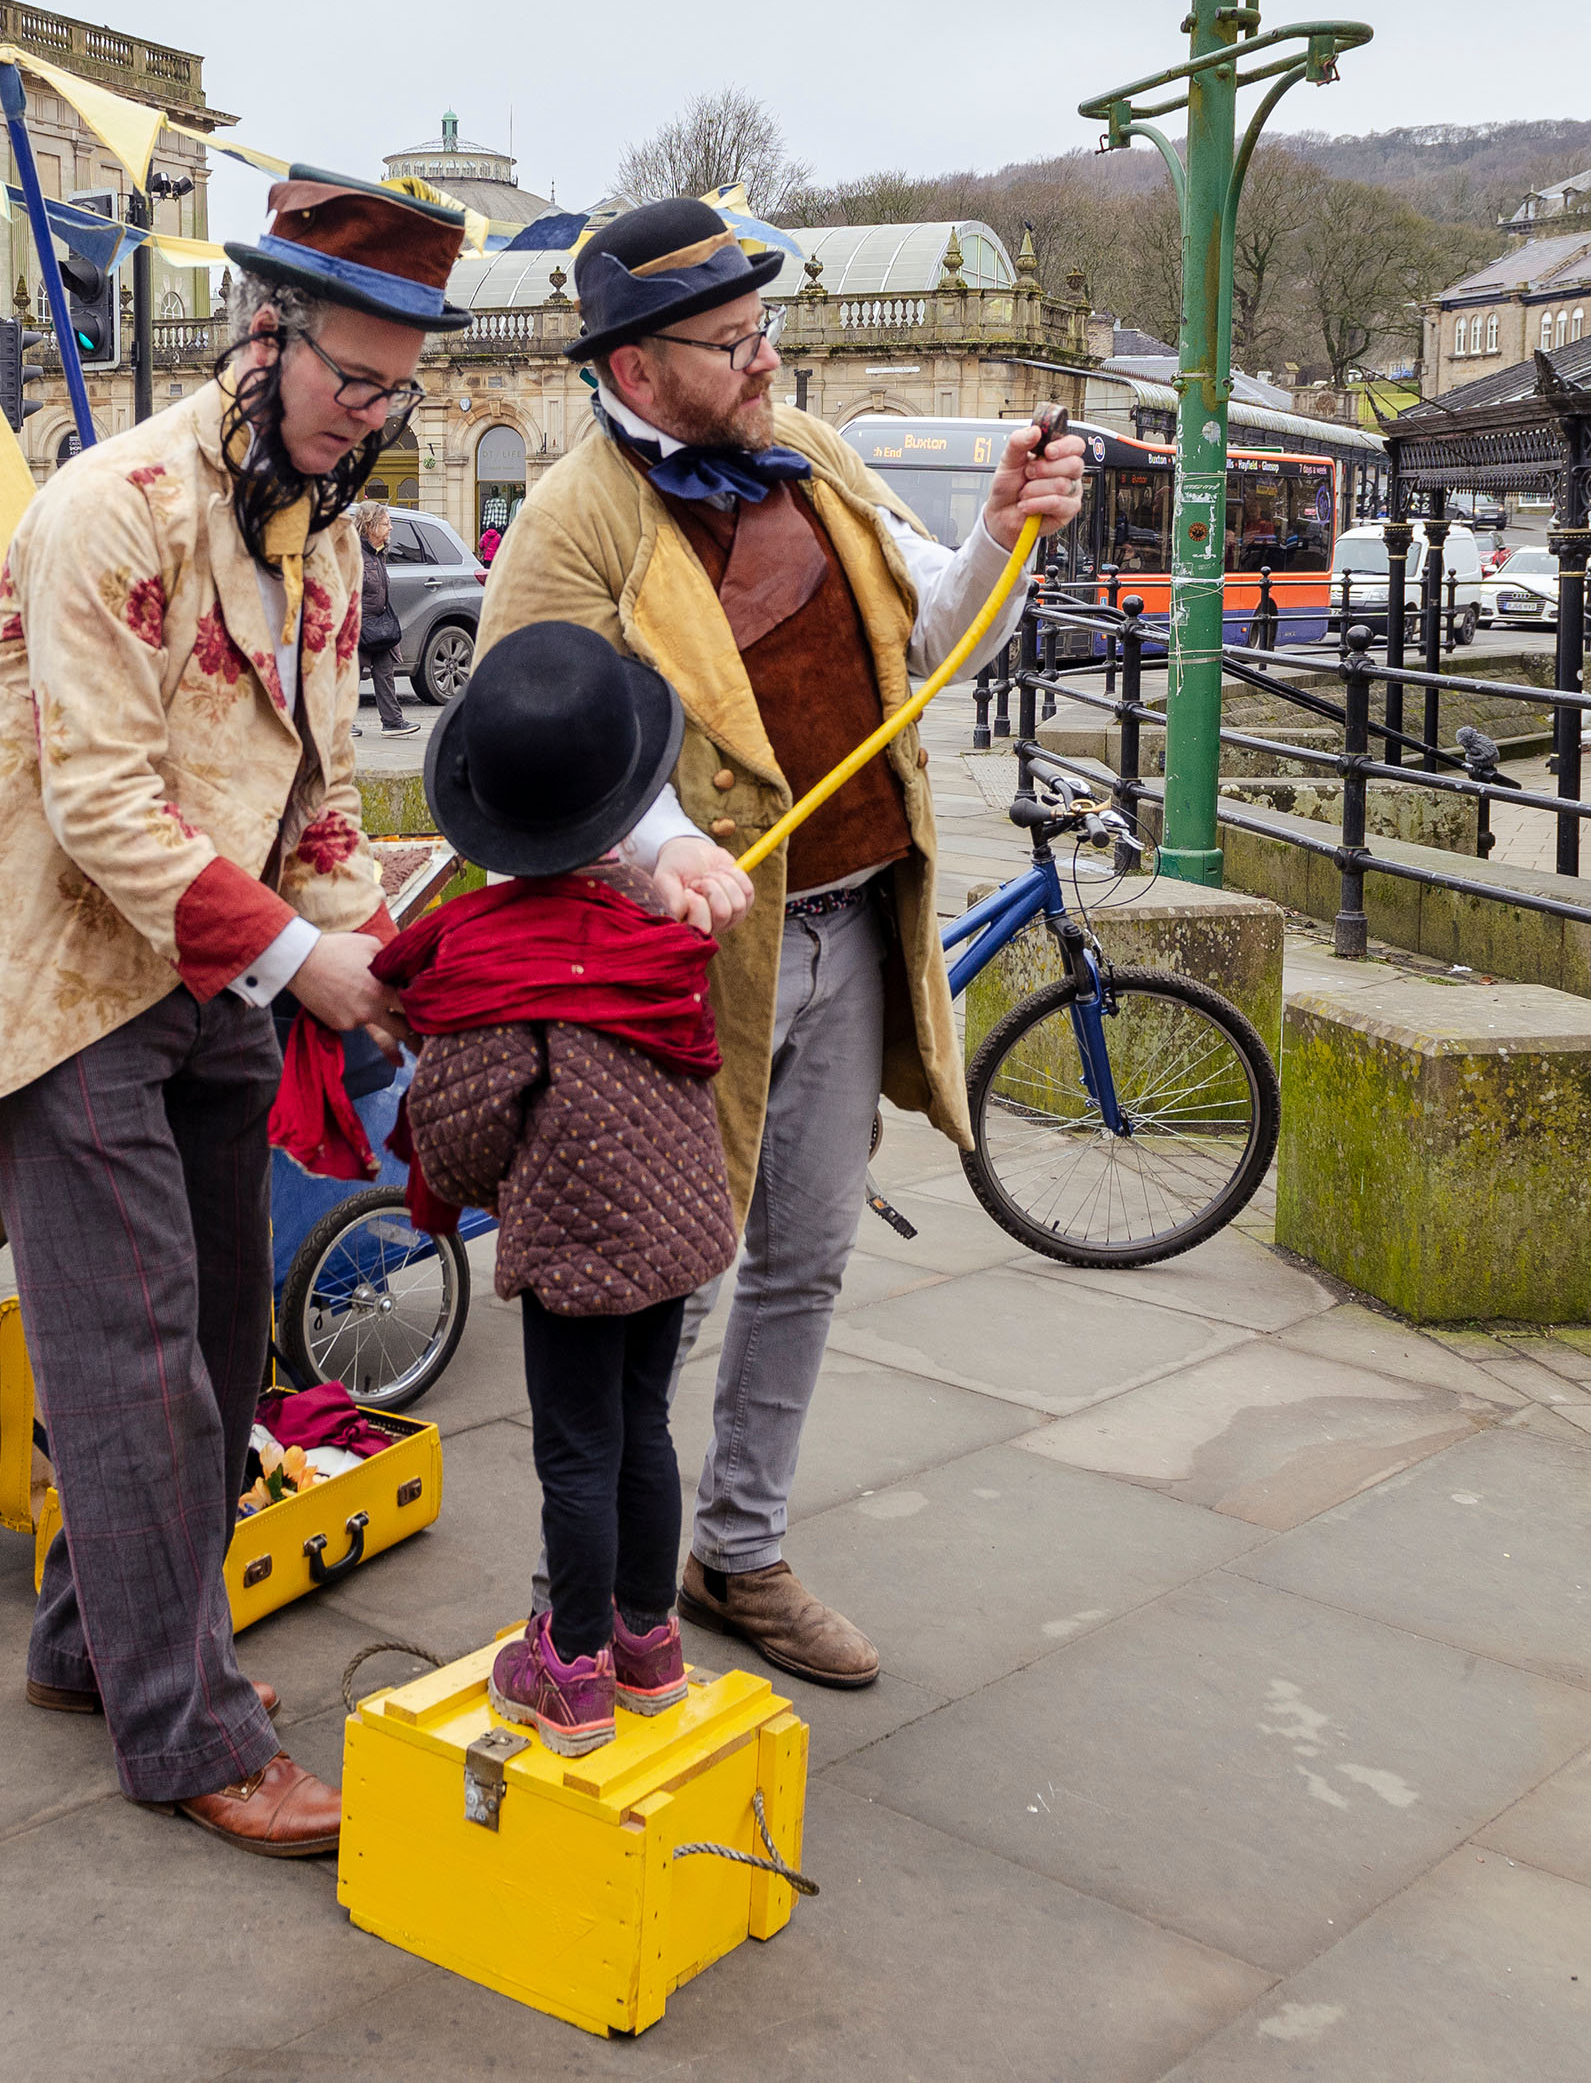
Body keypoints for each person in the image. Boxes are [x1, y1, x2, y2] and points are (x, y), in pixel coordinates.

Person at [0, 166, 469, 1858]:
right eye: (351, 379)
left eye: (398, 390)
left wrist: (389, 966)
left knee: (221, 1346)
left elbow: (325, 807)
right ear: (266, 332)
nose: (373, 417)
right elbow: (102, 806)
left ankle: (95, 1642)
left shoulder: (333, 541)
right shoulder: (108, 508)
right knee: (141, 1368)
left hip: (207, 980)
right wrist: (313, 964)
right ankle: (189, 1731)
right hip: (61, 984)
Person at [479, 196, 1082, 1689]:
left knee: (802, 1260)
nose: (767, 358)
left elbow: (931, 634)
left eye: (765, 328)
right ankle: (588, 1594)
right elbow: (510, 757)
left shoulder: (810, 451)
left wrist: (1003, 530)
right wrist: (659, 842)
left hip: (854, 923)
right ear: (633, 370)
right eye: (732, 340)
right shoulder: (571, 522)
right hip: (677, 971)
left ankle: (737, 1552)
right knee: (655, 1282)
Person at [384, 620, 737, 1754]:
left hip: (582, 1248)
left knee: (576, 1450)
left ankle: (572, 1665)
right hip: (676, 1231)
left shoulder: (498, 962)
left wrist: (493, 1178)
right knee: (645, 1429)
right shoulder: (651, 925)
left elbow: (457, 1134)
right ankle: (648, 1645)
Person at [351, 501, 415, 738]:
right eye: (386, 523)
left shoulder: (380, 554)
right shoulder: (353, 552)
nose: (391, 528)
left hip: (379, 625)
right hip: (356, 625)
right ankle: (341, 724)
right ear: (370, 525)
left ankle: (392, 722)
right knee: (351, 675)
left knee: (385, 672)